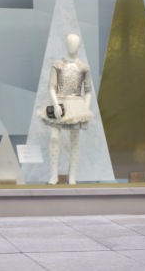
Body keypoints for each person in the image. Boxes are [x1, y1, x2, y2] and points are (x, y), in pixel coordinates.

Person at [38, 34, 93, 185]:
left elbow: (88, 91)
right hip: (60, 103)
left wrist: (85, 110)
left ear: (79, 45)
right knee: (54, 137)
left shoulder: (83, 67)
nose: (72, 46)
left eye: (74, 43)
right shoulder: (57, 64)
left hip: (76, 104)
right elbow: (51, 86)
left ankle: (72, 175)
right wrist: (55, 104)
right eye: (69, 43)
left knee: (74, 140)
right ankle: (54, 175)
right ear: (66, 44)